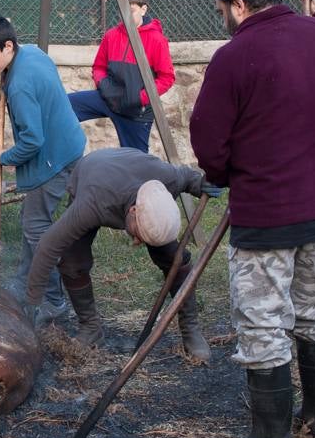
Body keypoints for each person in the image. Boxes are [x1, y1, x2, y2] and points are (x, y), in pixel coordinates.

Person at [190, 0, 315, 438]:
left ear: (238, 5)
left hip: (267, 216)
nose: (222, 16)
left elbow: (209, 142)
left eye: (222, 8)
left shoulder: (233, 56)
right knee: (313, 304)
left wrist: (223, 175)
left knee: (263, 320)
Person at [24, 147, 218, 361]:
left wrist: (200, 184)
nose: (136, 243)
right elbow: (47, 247)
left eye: (142, 239)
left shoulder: (167, 178)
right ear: (133, 211)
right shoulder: (91, 205)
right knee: (72, 260)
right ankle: (91, 328)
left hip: (133, 171)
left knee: (175, 259)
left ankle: (190, 330)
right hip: (93, 174)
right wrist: (31, 305)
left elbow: (187, 177)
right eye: (138, 235)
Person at [0, 14, 86, 325]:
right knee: (32, 221)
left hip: (51, 159)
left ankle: (54, 301)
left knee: (37, 231)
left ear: (8, 46)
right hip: (69, 144)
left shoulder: (19, 86)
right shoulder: (32, 52)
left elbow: (32, 140)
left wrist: (3, 157)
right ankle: (24, 280)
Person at [67, 0, 175, 152]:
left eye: (130, 10)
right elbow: (98, 67)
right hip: (109, 98)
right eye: (121, 9)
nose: (125, 15)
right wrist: (104, 86)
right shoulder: (111, 35)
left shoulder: (157, 40)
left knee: (136, 161)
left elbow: (167, 78)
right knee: (64, 106)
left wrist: (140, 98)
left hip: (136, 110)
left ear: (143, 9)